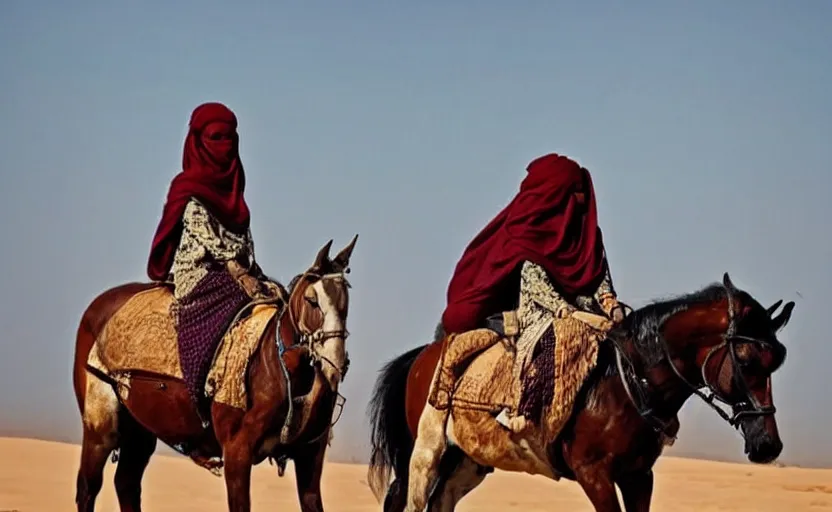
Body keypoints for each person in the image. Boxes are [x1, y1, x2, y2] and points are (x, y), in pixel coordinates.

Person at [438, 153, 625, 431]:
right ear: (557, 194)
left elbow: (599, 276)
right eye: (576, 192)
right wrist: (568, 312)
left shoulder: (587, 234)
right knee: (555, 341)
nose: (584, 198)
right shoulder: (527, 233)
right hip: (540, 313)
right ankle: (520, 410)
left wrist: (611, 304)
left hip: (585, 311)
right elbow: (537, 286)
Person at [147, 102, 282, 424]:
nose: (225, 146)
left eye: (230, 138)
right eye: (216, 137)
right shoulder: (187, 187)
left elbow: (242, 240)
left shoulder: (235, 185)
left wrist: (256, 274)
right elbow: (206, 237)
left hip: (238, 271)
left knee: (283, 300)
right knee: (234, 301)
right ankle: (205, 393)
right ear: (198, 141)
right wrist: (240, 274)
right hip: (201, 273)